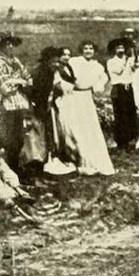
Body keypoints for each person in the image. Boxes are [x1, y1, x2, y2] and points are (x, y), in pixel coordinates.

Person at [56, 42, 114, 176]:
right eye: (85, 48)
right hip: (72, 97)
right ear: (81, 50)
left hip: (87, 98)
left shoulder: (97, 66)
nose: (88, 51)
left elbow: (103, 78)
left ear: (94, 51)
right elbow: (62, 73)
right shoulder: (74, 61)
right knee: (74, 128)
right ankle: (75, 159)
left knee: (89, 129)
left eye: (91, 48)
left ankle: (90, 160)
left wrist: (98, 85)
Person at [0, 33, 35, 175]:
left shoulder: (16, 61)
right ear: (0, 46)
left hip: (19, 104)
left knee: (19, 139)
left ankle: (16, 170)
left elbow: (29, 80)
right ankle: (5, 172)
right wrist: (19, 81)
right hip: (5, 105)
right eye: (6, 44)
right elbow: (5, 87)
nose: (10, 46)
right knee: (6, 140)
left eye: (11, 44)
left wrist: (18, 81)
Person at [31, 47, 75, 176]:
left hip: (48, 106)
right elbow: (36, 93)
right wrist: (43, 105)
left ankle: (51, 157)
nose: (55, 64)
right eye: (53, 62)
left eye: (57, 62)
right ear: (46, 61)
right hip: (38, 107)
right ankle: (41, 162)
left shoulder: (52, 72)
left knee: (51, 132)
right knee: (42, 135)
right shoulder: (39, 73)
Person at [106, 38, 139, 150]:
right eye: (118, 48)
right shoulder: (111, 62)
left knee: (130, 113)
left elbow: (136, 67)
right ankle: (121, 141)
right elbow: (119, 70)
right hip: (118, 88)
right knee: (120, 114)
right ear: (114, 50)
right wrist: (127, 61)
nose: (120, 50)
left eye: (122, 48)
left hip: (128, 88)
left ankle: (131, 139)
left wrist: (134, 51)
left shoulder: (130, 59)